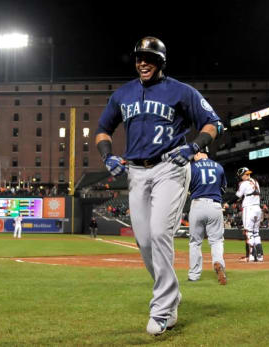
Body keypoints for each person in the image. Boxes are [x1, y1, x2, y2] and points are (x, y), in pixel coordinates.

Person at [95, 36, 223, 335]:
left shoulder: (181, 91)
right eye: (139, 57)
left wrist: (193, 147)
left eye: (149, 58)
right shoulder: (123, 94)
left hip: (170, 168)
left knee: (158, 233)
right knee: (144, 241)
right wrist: (106, 156)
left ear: (161, 62)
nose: (142, 62)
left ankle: (163, 309)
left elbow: (213, 123)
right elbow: (103, 129)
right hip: (136, 173)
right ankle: (172, 294)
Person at [187, 149, 227, 285]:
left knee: (195, 242)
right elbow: (223, 189)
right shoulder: (219, 167)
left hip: (197, 204)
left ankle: (194, 275)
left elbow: (187, 187)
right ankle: (218, 262)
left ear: (198, 154)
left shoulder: (192, 167)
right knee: (216, 241)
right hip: (215, 205)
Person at [224, 167, 264, 262]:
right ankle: (259, 256)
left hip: (249, 209)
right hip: (258, 208)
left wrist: (227, 203)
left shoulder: (244, 183)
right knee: (256, 233)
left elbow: (237, 196)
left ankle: (250, 256)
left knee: (248, 232)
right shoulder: (256, 182)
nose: (244, 176)